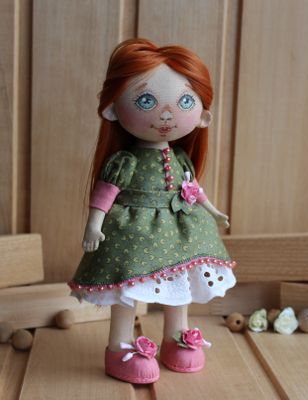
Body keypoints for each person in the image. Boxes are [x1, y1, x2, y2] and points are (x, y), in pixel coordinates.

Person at [67, 38, 237, 384]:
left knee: (180, 284)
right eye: (146, 101)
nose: (166, 114)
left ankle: (177, 337)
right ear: (112, 110)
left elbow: (193, 189)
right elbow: (106, 191)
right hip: (134, 231)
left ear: (203, 116)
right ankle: (120, 345)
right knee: (128, 286)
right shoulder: (125, 161)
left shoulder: (181, 158)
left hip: (180, 230)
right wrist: (94, 224)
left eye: (185, 102)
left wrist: (214, 211)